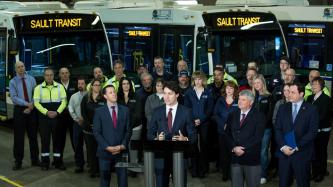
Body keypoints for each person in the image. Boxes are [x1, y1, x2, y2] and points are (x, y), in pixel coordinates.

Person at [147, 81, 197, 187]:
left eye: (170, 93)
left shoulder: (186, 112)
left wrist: (185, 139)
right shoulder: (157, 111)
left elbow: (193, 136)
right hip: (161, 156)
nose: (166, 97)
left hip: (179, 156)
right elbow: (149, 134)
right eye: (164, 93)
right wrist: (156, 139)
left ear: (177, 94)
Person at [274, 83, 319, 187]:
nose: (289, 95)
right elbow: (277, 129)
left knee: (303, 183)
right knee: (283, 183)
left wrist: (296, 146)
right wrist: (283, 146)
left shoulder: (312, 110)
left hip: (302, 154)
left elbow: (312, 132)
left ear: (301, 94)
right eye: (289, 92)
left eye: (293, 92)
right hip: (284, 154)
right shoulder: (283, 108)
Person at [224, 90, 266, 187]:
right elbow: (227, 133)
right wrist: (234, 148)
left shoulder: (259, 116)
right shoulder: (232, 115)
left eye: (243, 100)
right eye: (239, 99)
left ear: (251, 102)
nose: (240, 102)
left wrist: (244, 148)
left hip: (251, 158)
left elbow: (258, 137)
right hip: (235, 158)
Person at [93, 85, 132, 187]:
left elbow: (128, 130)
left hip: (122, 151)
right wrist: (107, 147)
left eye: (114, 92)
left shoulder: (125, 110)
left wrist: (122, 145)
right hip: (104, 152)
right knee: (105, 181)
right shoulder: (99, 112)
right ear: (105, 96)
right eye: (110, 92)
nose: (114, 94)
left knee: (123, 181)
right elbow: (97, 132)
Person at [33, 68, 67, 170]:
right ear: (44, 76)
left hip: (57, 117)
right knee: (45, 140)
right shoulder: (38, 88)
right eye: (47, 75)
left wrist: (57, 112)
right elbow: (36, 103)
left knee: (57, 140)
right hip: (44, 118)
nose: (49, 77)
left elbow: (64, 102)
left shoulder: (60, 87)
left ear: (53, 76)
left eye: (51, 75)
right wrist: (46, 112)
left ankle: (58, 162)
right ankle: (45, 163)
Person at [9, 61, 39, 170]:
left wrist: (32, 106)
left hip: (32, 110)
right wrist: (27, 105)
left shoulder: (31, 79)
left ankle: (35, 160)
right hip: (19, 111)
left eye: (22, 66)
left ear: (25, 67)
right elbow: (14, 97)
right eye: (18, 67)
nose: (21, 69)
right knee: (19, 138)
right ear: (16, 69)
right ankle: (18, 161)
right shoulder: (12, 82)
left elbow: (36, 94)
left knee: (33, 137)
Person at [184, 71, 214, 177]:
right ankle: (194, 169)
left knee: (204, 145)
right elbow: (187, 108)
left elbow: (210, 109)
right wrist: (193, 120)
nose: (198, 81)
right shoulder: (189, 93)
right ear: (193, 80)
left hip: (204, 123)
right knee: (193, 145)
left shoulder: (208, 92)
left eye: (200, 79)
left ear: (203, 80)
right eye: (196, 79)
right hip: (192, 123)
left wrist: (201, 120)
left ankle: (203, 169)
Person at [213, 80, 239, 181]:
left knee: (233, 152)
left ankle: (234, 174)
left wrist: (229, 126)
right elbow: (215, 114)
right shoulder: (220, 100)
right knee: (223, 153)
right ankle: (225, 173)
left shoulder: (238, 100)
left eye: (231, 88)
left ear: (234, 89)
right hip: (222, 131)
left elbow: (240, 115)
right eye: (227, 88)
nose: (229, 90)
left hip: (234, 132)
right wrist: (222, 124)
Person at [307, 77, 332, 182]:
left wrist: (310, 121)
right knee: (313, 152)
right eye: (313, 84)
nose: (314, 86)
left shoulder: (327, 99)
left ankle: (321, 172)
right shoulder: (309, 98)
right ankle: (314, 172)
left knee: (321, 151)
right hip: (312, 130)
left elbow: (324, 115)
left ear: (321, 86)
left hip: (323, 130)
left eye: (316, 84)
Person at [81, 78, 105, 178]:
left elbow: (105, 114)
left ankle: (100, 169)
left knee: (100, 150)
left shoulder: (104, 99)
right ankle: (92, 169)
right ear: (91, 86)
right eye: (95, 85)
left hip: (101, 130)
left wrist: (99, 125)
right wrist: (90, 124)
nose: (97, 87)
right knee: (91, 150)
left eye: (99, 85)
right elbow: (83, 113)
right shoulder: (86, 98)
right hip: (88, 129)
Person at [252, 74, 273, 184]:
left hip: (265, 129)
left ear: (263, 83)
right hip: (253, 130)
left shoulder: (269, 97)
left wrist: (261, 125)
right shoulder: (252, 97)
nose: (256, 85)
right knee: (254, 151)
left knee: (263, 152)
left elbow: (270, 115)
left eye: (258, 83)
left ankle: (263, 174)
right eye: (255, 83)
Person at [117, 77, 139, 176]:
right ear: (121, 86)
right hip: (121, 128)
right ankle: (124, 168)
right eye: (124, 84)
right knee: (123, 149)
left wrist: (129, 124)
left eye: (127, 83)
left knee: (133, 150)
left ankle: (133, 169)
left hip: (135, 127)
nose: (126, 85)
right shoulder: (117, 97)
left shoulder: (136, 96)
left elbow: (138, 114)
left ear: (130, 85)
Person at [57, 67, 76, 165]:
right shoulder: (56, 85)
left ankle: (78, 160)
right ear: (59, 75)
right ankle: (59, 161)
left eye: (66, 73)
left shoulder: (74, 85)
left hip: (72, 117)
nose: (64, 75)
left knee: (75, 139)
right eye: (62, 73)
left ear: (69, 74)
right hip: (60, 117)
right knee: (60, 139)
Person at [68, 77, 87, 173]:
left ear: (86, 84)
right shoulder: (73, 96)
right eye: (79, 83)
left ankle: (91, 164)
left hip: (87, 124)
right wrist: (76, 119)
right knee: (77, 145)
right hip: (77, 124)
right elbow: (70, 108)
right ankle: (79, 164)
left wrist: (85, 119)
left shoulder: (90, 95)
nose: (80, 85)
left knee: (90, 145)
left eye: (82, 83)